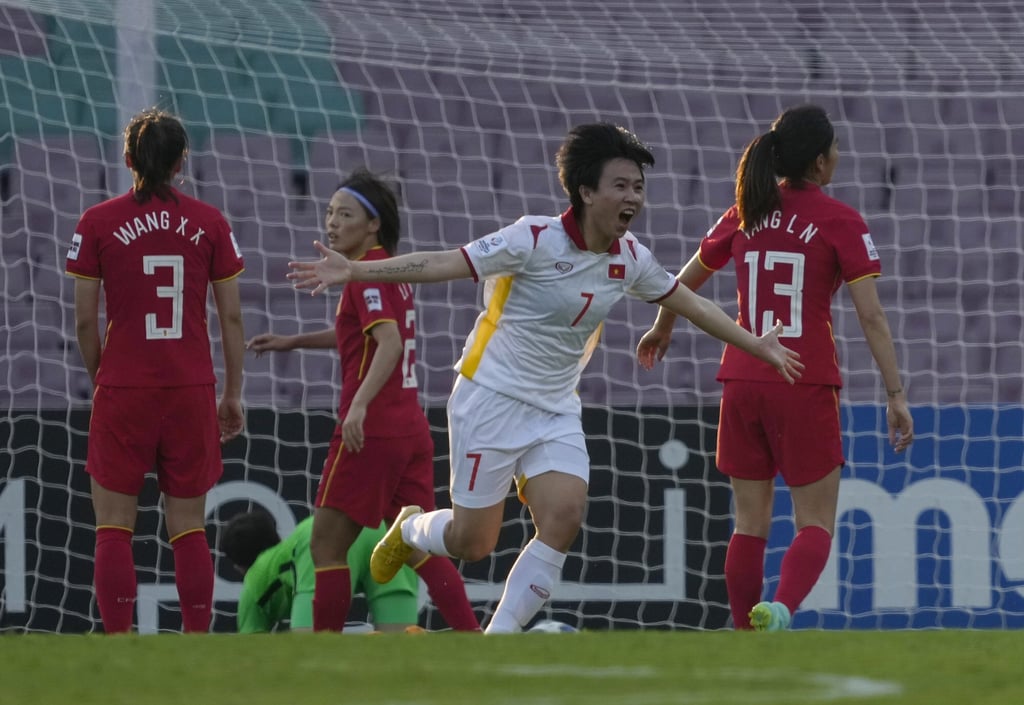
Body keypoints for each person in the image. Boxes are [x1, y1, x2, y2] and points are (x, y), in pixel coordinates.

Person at [287, 123, 804, 634]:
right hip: (488, 398)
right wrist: (355, 271)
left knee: (565, 515)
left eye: (639, 187)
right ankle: (413, 527)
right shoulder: (532, 238)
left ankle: (498, 644)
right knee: (474, 543)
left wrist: (754, 344)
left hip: (556, 406)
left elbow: (690, 303)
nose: (633, 198)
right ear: (585, 192)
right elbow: (443, 262)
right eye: (620, 186)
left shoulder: (629, 258)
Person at [637, 104, 914, 632]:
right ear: (819, 162)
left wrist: (663, 327)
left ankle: (744, 632)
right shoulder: (840, 220)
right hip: (802, 379)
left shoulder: (746, 209)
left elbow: (680, 282)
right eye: (834, 149)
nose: (838, 157)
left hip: (742, 377)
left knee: (749, 524)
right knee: (814, 523)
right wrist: (895, 393)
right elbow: (872, 316)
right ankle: (782, 609)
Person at [246, 168, 480, 632]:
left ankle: (326, 659)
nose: (332, 223)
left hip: (370, 432)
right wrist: (293, 342)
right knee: (415, 544)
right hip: (408, 428)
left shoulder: (364, 277)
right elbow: (360, 337)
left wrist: (357, 406)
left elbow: (389, 344)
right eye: (330, 212)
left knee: (326, 548)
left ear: (372, 224)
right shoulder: (388, 272)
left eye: (345, 214)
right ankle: (471, 634)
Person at [65, 108, 245, 633]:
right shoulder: (211, 222)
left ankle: (121, 646)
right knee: (188, 527)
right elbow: (230, 315)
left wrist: (105, 376)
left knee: (114, 527)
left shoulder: (96, 222)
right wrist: (232, 392)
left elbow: (82, 322)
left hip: (124, 387)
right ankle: (194, 643)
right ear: (181, 161)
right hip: (190, 387)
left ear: (128, 161)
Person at [220, 510, 422, 633]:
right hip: (384, 529)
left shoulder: (255, 579)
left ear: (239, 567)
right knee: (399, 646)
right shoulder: (288, 547)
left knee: (312, 657)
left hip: (322, 543)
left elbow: (254, 659)